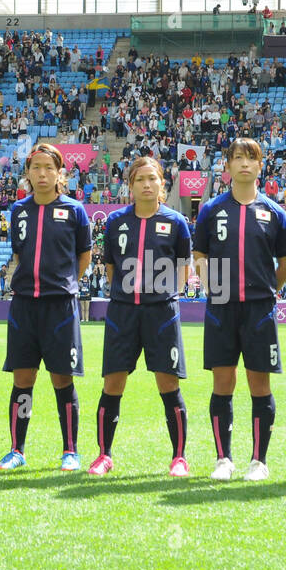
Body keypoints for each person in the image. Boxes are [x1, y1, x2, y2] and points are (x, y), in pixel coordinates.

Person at [192, 138, 286, 481]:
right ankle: (224, 459)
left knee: (259, 384)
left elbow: (285, 266)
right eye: (238, 158)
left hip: (259, 309)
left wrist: (264, 292)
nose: (245, 164)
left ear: (261, 165)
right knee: (223, 382)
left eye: (251, 158)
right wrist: (217, 289)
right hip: (221, 308)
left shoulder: (274, 213)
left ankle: (258, 461)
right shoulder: (210, 210)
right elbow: (200, 257)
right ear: (228, 167)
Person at [88, 156, 193, 477]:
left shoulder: (176, 222)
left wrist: (161, 295)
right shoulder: (116, 222)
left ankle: (179, 458)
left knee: (168, 384)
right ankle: (104, 455)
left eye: (152, 178)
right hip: (122, 312)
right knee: (113, 383)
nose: (147, 184)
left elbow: (183, 271)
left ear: (162, 184)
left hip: (161, 312)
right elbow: (110, 268)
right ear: (130, 186)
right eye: (140, 180)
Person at [0, 145, 93, 473]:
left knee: (62, 379)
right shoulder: (19, 210)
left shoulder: (75, 211)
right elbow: (20, 255)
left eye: (49, 168)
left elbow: (84, 256)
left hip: (60, 307)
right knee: (23, 380)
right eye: (35, 167)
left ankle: (70, 451)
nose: (42, 174)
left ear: (60, 173)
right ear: (27, 173)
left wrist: (64, 283)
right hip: (24, 306)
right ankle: (17, 449)